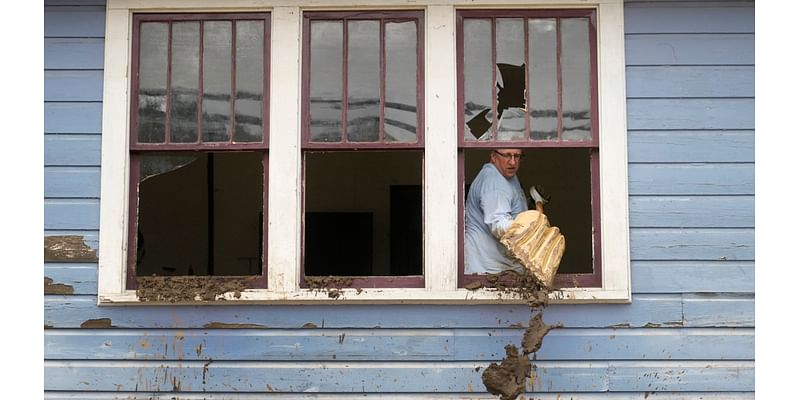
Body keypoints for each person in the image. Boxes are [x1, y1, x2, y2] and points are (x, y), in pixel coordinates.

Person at [465, 148, 544, 274]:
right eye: (507, 155)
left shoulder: (506, 175)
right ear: (493, 156)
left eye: (517, 156)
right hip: (488, 272)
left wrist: (532, 202)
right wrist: (530, 227)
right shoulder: (494, 182)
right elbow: (498, 224)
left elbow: (509, 208)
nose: (512, 162)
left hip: (499, 267)